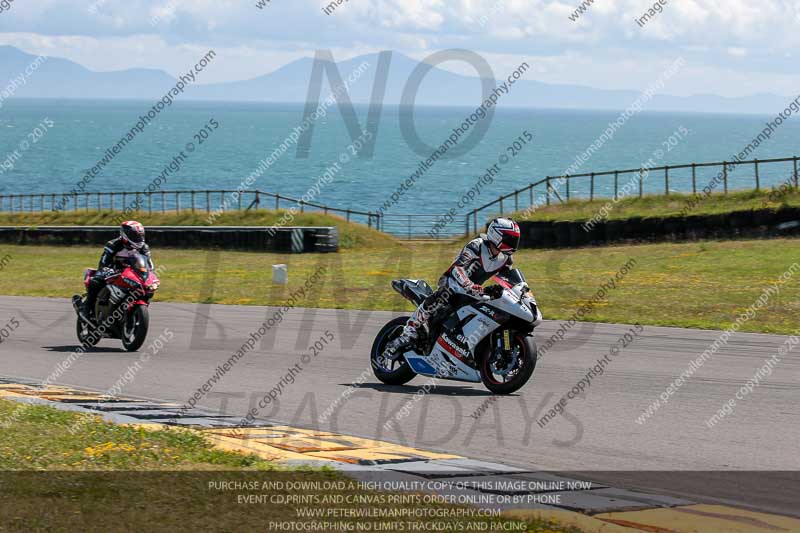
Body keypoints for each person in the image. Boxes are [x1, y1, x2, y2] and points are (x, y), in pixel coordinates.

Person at [385, 217, 521, 357]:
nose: (513, 243)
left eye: (515, 239)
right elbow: (458, 268)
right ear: (496, 234)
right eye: (510, 239)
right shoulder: (477, 245)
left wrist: (516, 292)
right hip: (452, 282)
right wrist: (469, 285)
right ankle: (409, 331)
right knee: (442, 297)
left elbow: (506, 280)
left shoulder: (506, 259)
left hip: (473, 292)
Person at [83, 221, 153, 320]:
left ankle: (134, 312)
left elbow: (149, 264)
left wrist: (149, 273)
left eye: (140, 235)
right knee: (96, 282)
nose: (138, 239)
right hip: (112, 271)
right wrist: (107, 270)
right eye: (135, 235)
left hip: (131, 274)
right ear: (125, 234)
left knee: (147, 288)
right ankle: (86, 310)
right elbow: (103, 262)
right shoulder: (113, 244)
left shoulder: (143, 247)